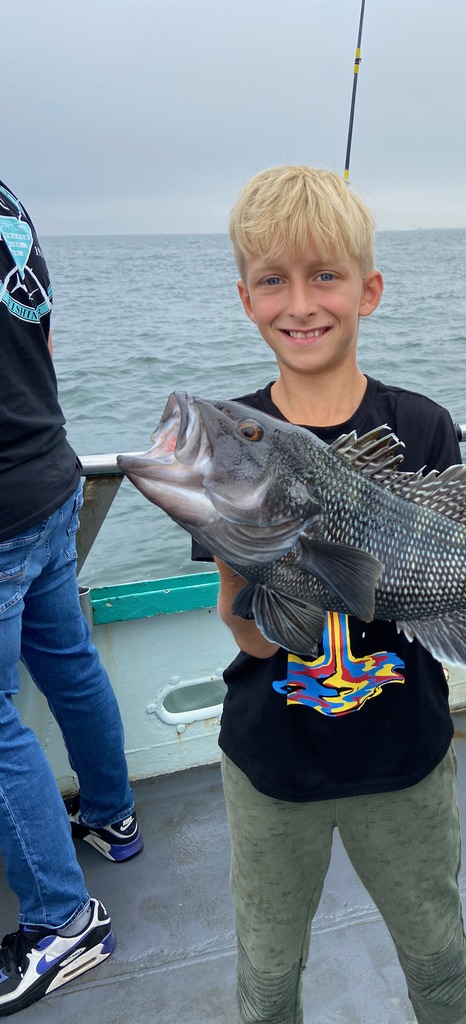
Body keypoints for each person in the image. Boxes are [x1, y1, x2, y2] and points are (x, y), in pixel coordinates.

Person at [202, 165, 466, 1024]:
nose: (301, 303)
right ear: (245, 298)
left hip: (405, 755)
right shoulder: (236, 439)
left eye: (325, 275)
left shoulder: (422, 424)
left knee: (437, 962)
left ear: (370, 290)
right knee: (267, 977)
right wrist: (258, 572)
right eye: (273, 280)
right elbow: (249, 637)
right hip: (272, 764)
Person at [0, 179, 143, 1016]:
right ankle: (112, 817)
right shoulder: (9, 201)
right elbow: (41, 339)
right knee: (68, 660)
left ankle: (61, 922)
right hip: (51, 475)